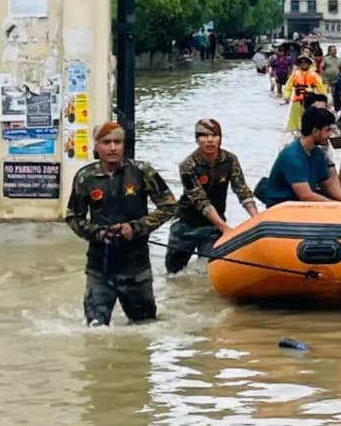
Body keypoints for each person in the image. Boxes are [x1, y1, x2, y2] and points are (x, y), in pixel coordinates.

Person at [65, 121, 177, 326]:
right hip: (100, 267)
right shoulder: (85, 177)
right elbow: (73, 217)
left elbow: (169, 206)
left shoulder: (142, 172)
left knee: (145, 329)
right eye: (106, 142)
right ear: (97, 146)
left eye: (117, 142)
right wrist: (95, 232)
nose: (113, 147)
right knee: (95, 330)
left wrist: (136, 228)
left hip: (136, 266)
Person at [166, 119, 257, 274]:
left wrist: (256, 219)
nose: (209, 140)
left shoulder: (230, 160)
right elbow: (201, 201)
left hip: (213, 228)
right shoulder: (188, 166)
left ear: (220, 138)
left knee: (208, 273)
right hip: (186, 225)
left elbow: (242, 190)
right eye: (204, 136)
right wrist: (226, 229)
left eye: (214, 135)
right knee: (174, 274)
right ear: (197, 140)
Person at [256, 107, 341, 207]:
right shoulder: (293, 157)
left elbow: (328, 184)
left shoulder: (317, 153)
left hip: (301, 204)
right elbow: (306, 195)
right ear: (315, 131)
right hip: (283, 206)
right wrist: (337, 206)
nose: (329, 135)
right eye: (327, 130)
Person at [282, 55, 326, 132]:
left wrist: (324, 99)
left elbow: (321, 88)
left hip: (310, 101)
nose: (303, 64)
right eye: (301, 62)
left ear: (309, 64)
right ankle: (295, 132)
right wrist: (286, 96)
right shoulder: (295, 74)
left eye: (305, 62)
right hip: (298, 102)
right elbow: (287, 87)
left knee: (310, 120)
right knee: (295, 121)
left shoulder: (314, 75)